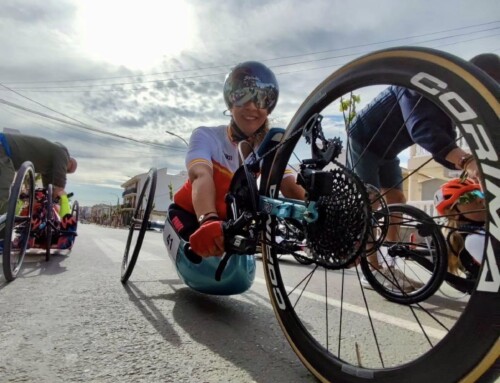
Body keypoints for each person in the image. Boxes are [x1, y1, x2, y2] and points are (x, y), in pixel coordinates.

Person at [348, 52, 499, 290]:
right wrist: (467, 161)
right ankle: (372, 269)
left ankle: (390, 261)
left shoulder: (453, 104)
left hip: (388, 150)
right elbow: (422, 128)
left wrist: (475, 165)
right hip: (363, 139)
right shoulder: (423, 83)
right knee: (372, 200)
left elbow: (446, 144)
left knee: (397, 199)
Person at [170, 61, 305, 257]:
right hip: (188, 213)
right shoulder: (205, 136)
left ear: (269, 106)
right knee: (198, 261)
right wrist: (208, 219)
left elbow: (290, 185)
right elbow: (200, 175)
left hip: (228, 225)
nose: (251, 106)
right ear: (230, 102)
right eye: (243, 96)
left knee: (235, 278)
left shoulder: (269, 145)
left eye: (261, 99)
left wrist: (328, 222)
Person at [0, 132, 77, 218]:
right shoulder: (62, 153)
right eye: (67, 169)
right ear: (69, 161)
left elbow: (48, 189)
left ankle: (3, 227)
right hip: (3, 147)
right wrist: (61, 194)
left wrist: (47, 198)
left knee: (7, 203)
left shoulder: (47, 167)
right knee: (3, 188)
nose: (65, 170)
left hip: (6, 153)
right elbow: (59, 182)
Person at [434, 178, 486, 277]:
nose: (480, 199)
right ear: (453, 213)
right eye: (469, 197)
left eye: (479, 193)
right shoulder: (474, 239)